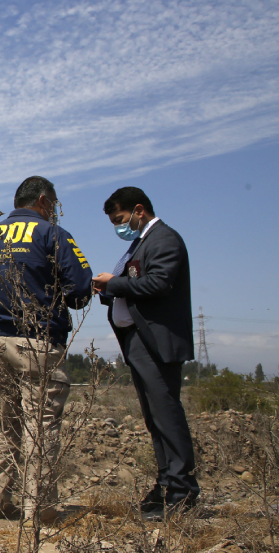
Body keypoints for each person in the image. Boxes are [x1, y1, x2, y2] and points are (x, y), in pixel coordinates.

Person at [0, 176, 92, 524]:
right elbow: (80, 291)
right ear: (43, 201)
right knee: (40, 425)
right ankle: (38, 511)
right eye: (53, 203)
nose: (54, 210)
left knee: (1, 423)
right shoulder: (53, 234)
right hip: (37, 342)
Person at [92, 187, 198, 521]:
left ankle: (182, 492)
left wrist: (113, 284)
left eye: (120, 219)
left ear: (139, 210)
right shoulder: (140, 243)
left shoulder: (164, 240)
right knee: (155, 418)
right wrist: (106, 289)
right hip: (137, 342)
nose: (118, 227)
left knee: (166, 414)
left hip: (155, 342)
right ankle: (166, 485)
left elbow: (158, 284)